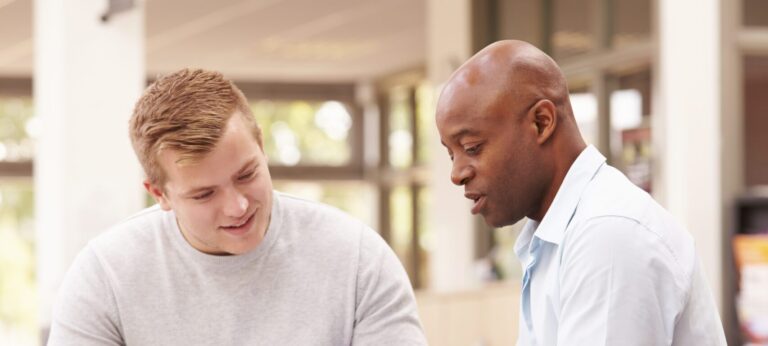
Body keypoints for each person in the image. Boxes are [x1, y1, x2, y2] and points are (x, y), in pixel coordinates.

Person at [47, 69, 427, 345]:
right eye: (204, 194)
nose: (238, 206)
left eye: (247, 174)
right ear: (159, 193)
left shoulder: (357, 259)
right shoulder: (105, 276)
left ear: (261, 146)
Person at [435, 40, 726, 345]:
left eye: (472, 148)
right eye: (451, 154)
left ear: (541, 122)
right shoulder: (559, 236)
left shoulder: (607, 233)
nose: (457, 174)